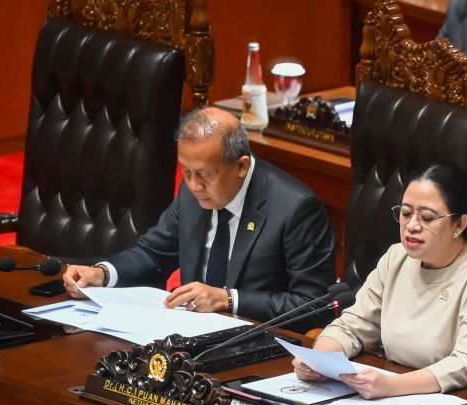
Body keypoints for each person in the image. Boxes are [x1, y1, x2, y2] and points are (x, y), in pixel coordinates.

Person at [63, 107, 336, 324]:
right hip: (188, 336)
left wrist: (229, 299)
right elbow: (154, 254)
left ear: (241, 166)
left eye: (204, 175)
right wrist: (101, 274)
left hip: (256, 343)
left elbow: (314, 306)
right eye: (186, 172)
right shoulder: (194, 193)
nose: (194, 185)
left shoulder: (295, 209)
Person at [293, 163, 467, 400]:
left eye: (427, 217)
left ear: (459, 224)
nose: (412, 226)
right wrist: (318, 361)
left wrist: (391, 386)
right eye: (405, 213)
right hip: (408, 398)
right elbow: (352, 325)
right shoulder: (396, 258)